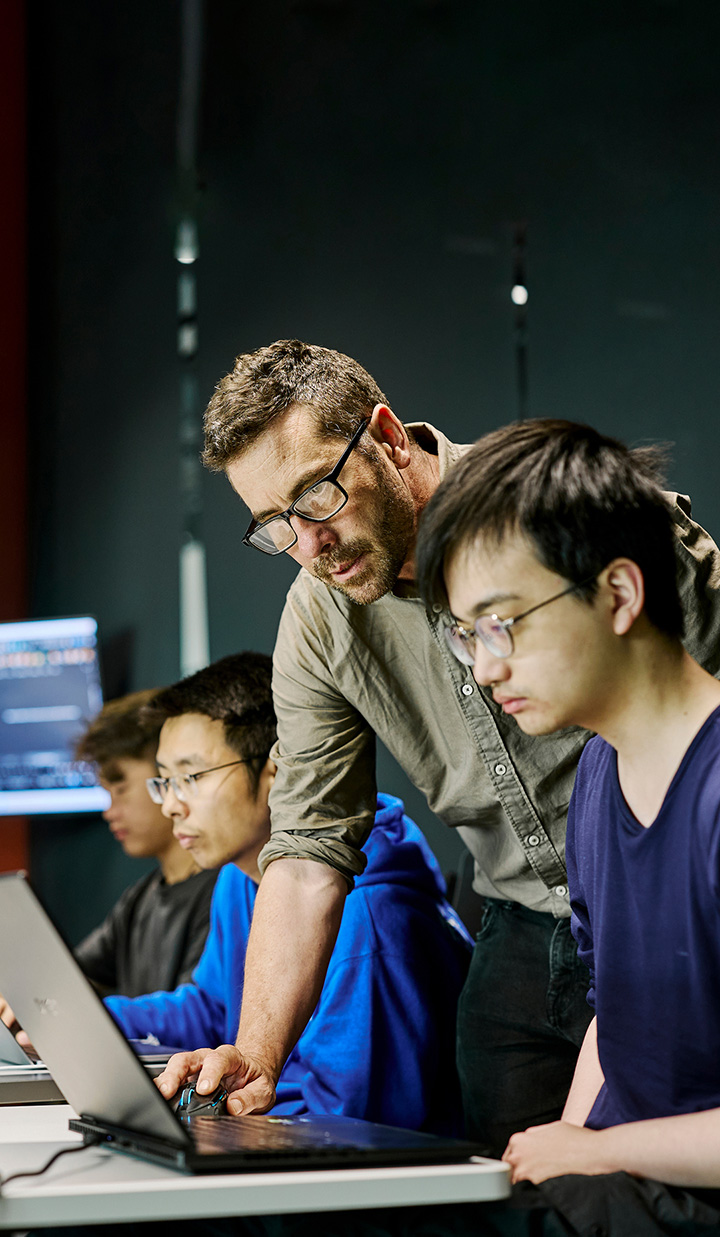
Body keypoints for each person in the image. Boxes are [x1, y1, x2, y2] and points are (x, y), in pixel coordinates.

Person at [166, 340, 720, 1156]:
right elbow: (311, 845)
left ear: (387, 437)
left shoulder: (557, 509)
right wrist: (257, 1055)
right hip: (523, 924)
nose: (308, 547)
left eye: (317, 497)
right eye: (275, 527)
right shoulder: (319, 620)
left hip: (674, 897)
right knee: (525, 1178)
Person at [413, 419, 720, 1233]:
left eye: (502, 622)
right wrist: (569, 1143)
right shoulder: (595, 778)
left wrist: (600, 1153)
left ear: (618, 593)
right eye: (466, 633)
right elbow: (610, 1023)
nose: (483, 667)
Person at [110, 651, 471, 1134]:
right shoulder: (239, 877)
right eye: (165, 781)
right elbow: (216, 1008)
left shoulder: (370, 917)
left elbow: (348, 1122)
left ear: (278, 772)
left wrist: (213, 1121)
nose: (172, 805)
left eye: (191, 777)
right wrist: (90, 1024)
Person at [72, 689, 218, 997]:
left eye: (121, 789)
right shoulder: (139, 899)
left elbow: (197, 1016)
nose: (109, 812)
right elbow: (71, 973)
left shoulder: (225, 891)